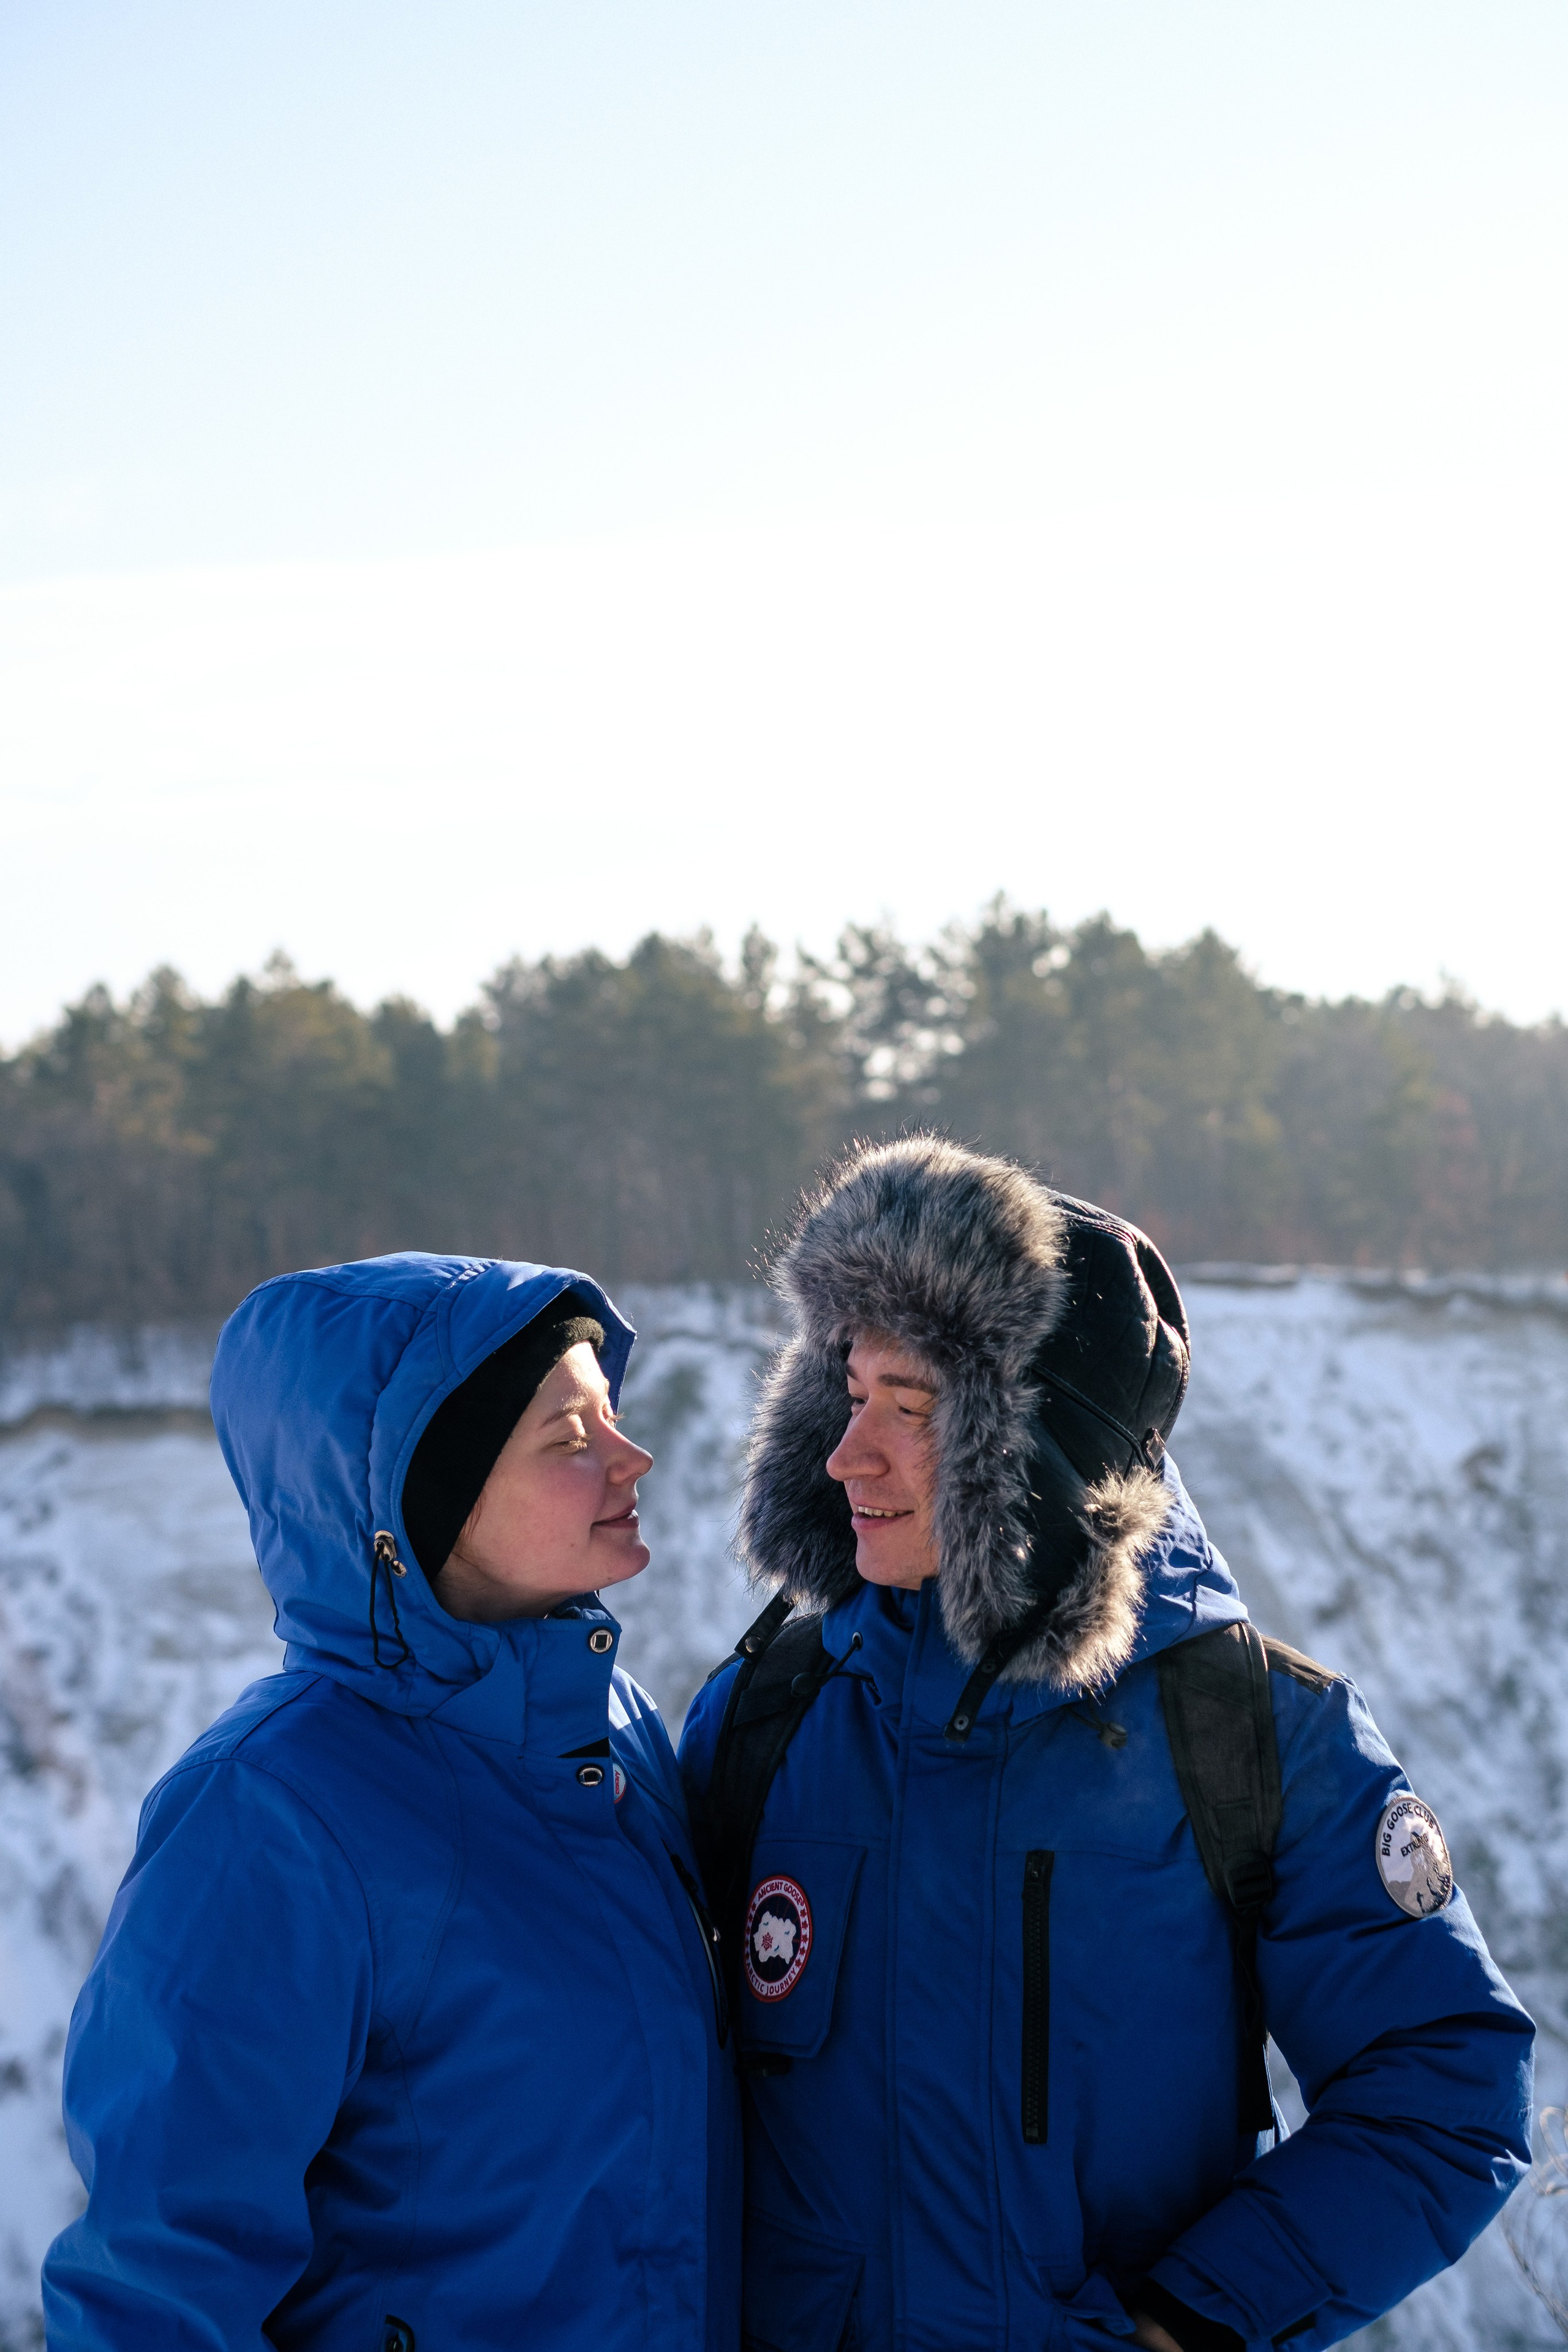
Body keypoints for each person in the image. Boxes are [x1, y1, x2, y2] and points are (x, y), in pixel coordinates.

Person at [681, 1138, 1533, 2352]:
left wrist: (1187, 2321)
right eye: (847, 1390)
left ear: (1035, 1453)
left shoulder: (1247, 1732)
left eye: (910, 1409)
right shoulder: (767, 1717)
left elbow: (1444, 2087)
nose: (844, 1453)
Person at [44, 1253, 740, 2352]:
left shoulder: (614, 1726)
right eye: (569, 1438)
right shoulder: (272, 1810)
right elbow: (159, 2278)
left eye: (612, 1413)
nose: (630, 1456)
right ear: (415, 1509)